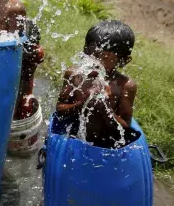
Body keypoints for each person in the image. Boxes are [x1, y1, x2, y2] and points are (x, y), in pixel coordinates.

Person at [54, 20, 139, 149]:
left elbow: (125, 128)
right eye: (90, 53)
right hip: (74, 139)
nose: (94, 60)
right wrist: (80, 104)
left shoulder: (125, 85)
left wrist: (104, 107)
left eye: (103, 56)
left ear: (123, 61)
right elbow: (60, 109)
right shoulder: (74, 75)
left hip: (107, 145)